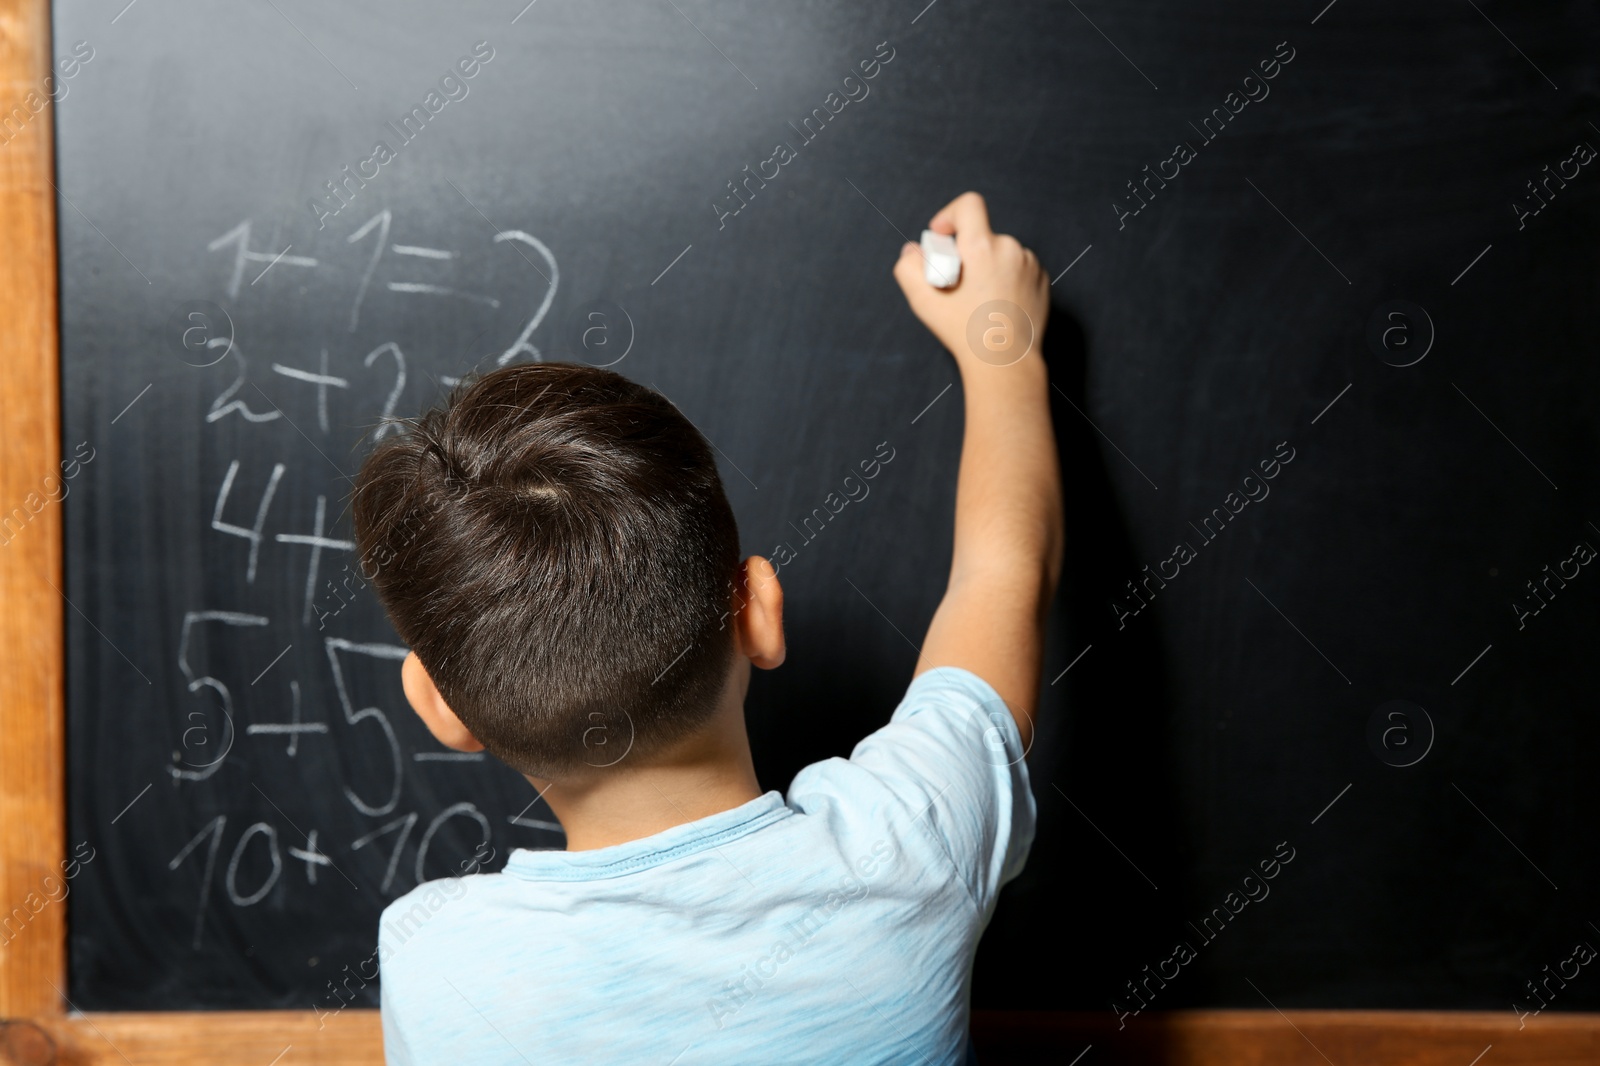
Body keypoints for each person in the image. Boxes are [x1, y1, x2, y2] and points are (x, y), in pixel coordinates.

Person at [355, 191, 1063, 1064]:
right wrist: (1002, 346)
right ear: (759, 611)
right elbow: (1006, 574)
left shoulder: (437, 960)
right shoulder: (911, 844)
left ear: (439, 706)